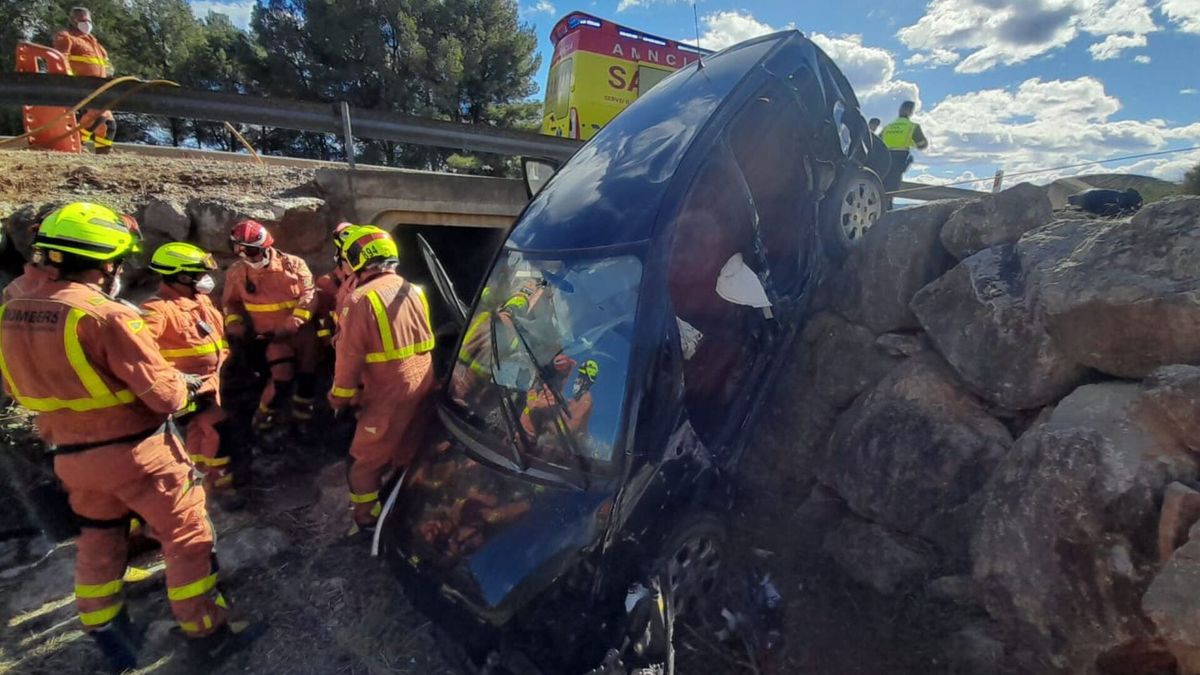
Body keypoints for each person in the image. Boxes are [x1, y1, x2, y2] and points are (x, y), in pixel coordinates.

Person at [0, 203, 259, 670]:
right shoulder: (108, 317)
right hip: (137, 452)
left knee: (99, 539)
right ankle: (207, 631)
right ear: (104, 262)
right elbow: (163, 395)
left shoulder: (13, 309)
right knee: (186, 536)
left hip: (70, 454)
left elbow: (11, 385)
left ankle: (110, 634)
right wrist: (190, 386)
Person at [327, 227, 435, 537]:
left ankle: (366, 518)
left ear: (356, 259)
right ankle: (404, 502)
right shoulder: (412, 288)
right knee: (409, 447)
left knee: (365, 460)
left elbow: (349, 359)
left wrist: (339, 399)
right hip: (422, 382)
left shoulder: (360, 299)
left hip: (388, 392)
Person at [141, 243, 235, 503]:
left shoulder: (200, 301)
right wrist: (176, 379)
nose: (206, 279)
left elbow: (217, 335)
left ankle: (201, 483)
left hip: (213, 382)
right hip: (190, 388)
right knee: (217, 428)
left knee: (198, 435)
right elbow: (141, 353)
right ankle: (219, 483)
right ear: (182, 276)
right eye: (199, 274)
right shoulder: (157, 310)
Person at [221, 219, 319, 435]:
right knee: (280, 381)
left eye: (250, 251)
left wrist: (296, 320)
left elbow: (309, 295)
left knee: (306, 382)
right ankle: (262, 424)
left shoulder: (293, 265)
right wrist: (234, 323)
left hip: (302, 336)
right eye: (240, 250)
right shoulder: (237, 272)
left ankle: (302, 426)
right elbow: (231, 303)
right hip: (272, 338)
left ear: (265, 247)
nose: (245, 256)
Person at [53, 7, 115, 154]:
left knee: (108, 124)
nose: (86, 23)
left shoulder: (94, 43)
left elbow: (107, 66)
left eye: (88, 20)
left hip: (99, 89)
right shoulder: (67, 37)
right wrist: (69, 83)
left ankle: (103, 156)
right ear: (73, 21)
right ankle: (76, 145)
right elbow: (61, 60)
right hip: (81, 87)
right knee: (97, 116)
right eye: (82, 20)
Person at [880, 101, 929, 199]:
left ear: (899, 110)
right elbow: (922, 144)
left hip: (882, 159)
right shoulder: (912, 127)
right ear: (910, 112)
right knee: (890, 191)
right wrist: (913, 143)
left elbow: (877, 142)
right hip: (899, 159)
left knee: (881, 188)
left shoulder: (887, 127)